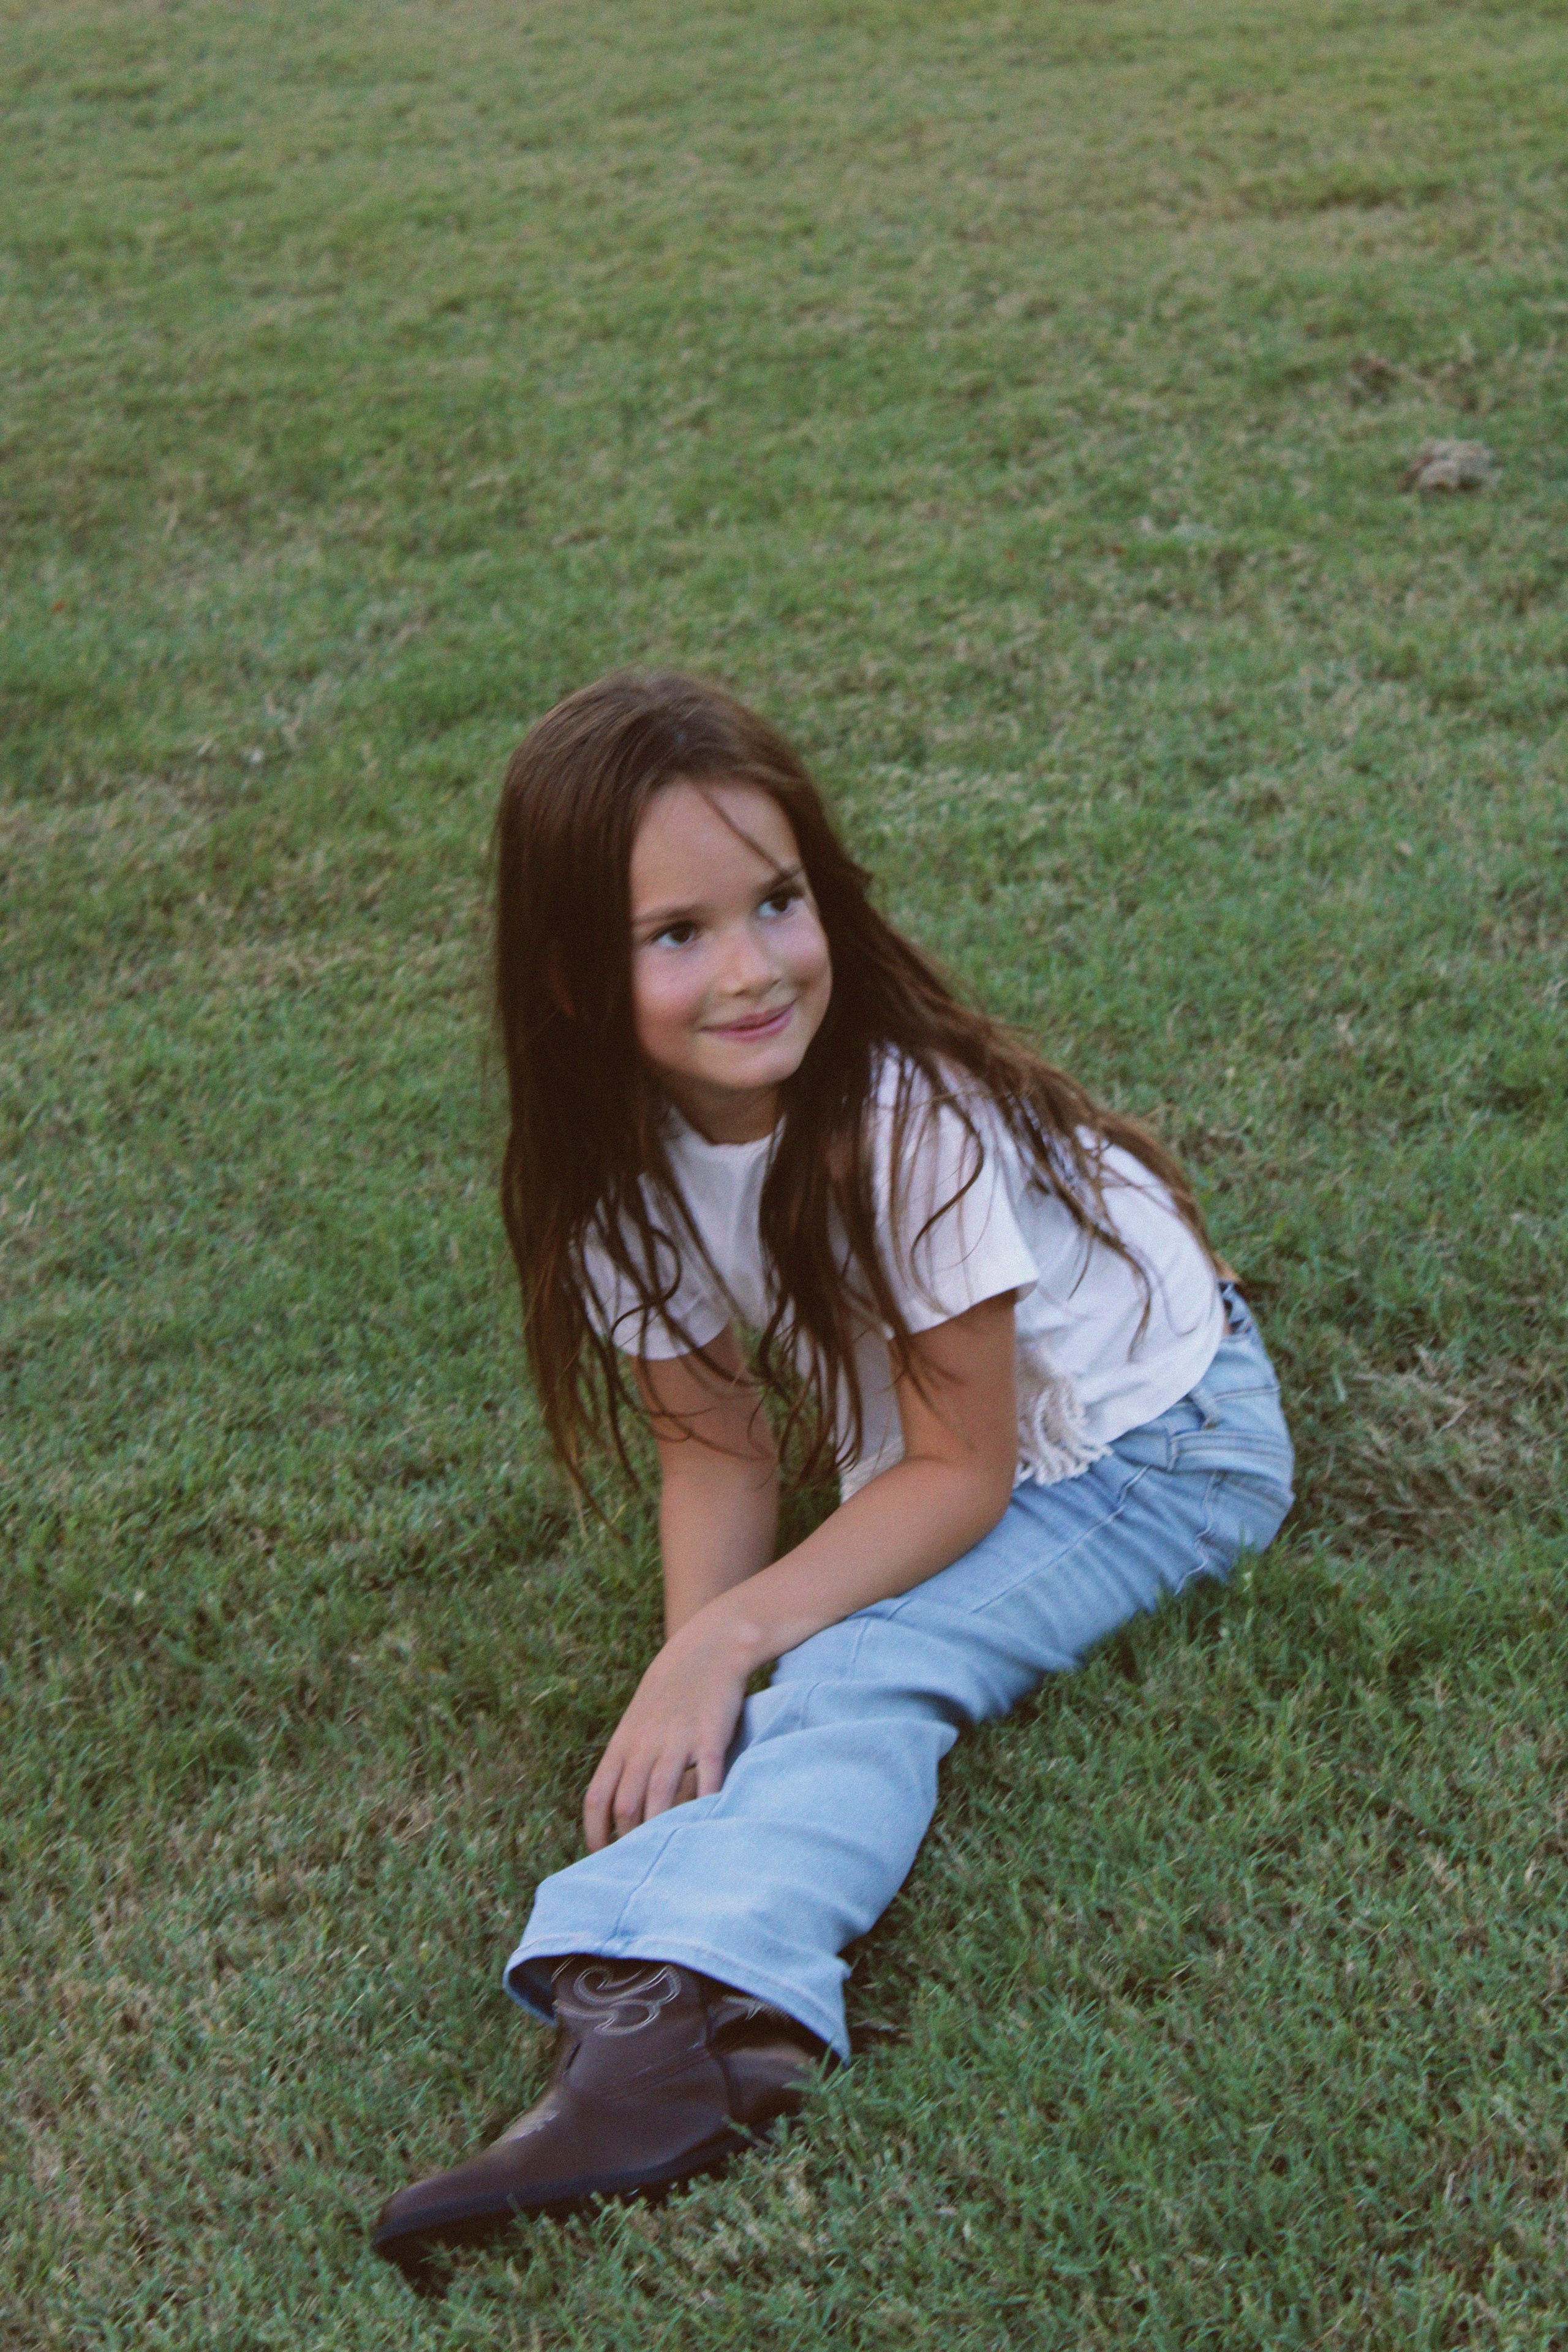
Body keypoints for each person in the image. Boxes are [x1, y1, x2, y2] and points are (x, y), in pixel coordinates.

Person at [372, 671, 1294, 2274]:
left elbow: (960, 1471)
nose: (752, 970)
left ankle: (691, 2035)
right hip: (975, 1448)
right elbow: (714, 1443)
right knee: (771, 1662)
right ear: (574, 976)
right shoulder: (617, 1170)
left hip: (1165, 1442)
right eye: (679, 934)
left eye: (778, 904)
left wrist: (733, 1644)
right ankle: (657, 1997)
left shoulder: (898, 1119)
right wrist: (692, 1666)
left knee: (866, 1661)